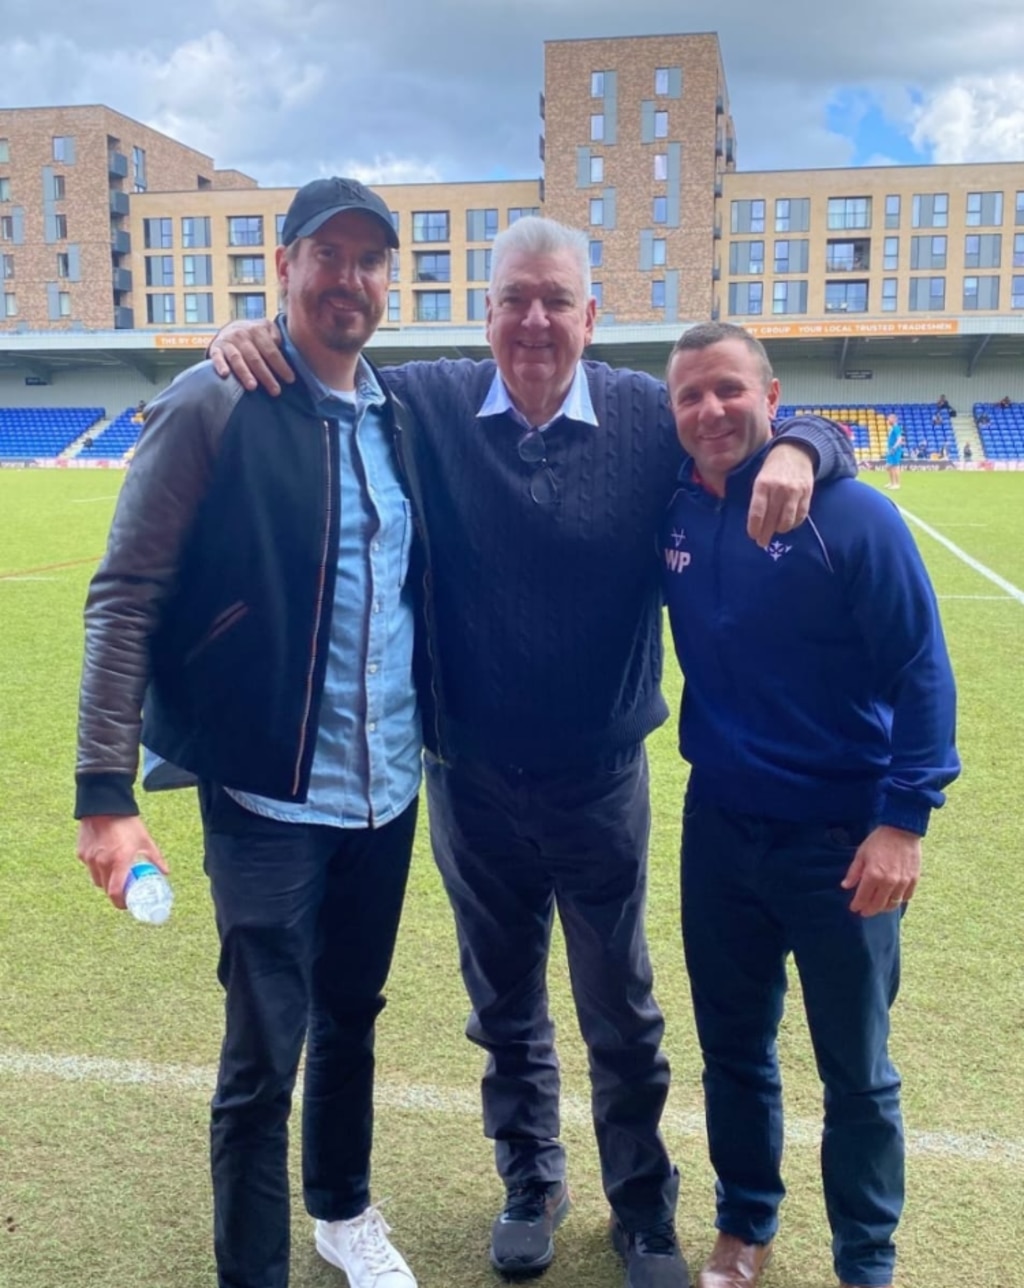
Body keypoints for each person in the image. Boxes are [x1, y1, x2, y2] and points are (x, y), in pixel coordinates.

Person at [209, 215, 855, 1288]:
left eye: (557, 299)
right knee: (503, 1005)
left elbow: (763, 423)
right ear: (487, 310)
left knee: (621, 1007)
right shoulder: (427, 405)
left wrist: (801, 445)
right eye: (515, 298)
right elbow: (323, 358)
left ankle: (643, 1208)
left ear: (592, 317)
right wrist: (241, 331)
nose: (536, 321)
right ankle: (529, 1178)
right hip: (470, 781)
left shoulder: (652, 417)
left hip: (600, 779)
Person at [75, 177, 425, 1288]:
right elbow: (124, 594)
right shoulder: (213, 400)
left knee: (353, 1018)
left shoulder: (400, 416)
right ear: (283, 264)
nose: (350, 279)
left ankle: (341, 1212)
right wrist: (104, 793)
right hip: (270, 799)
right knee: (263, 1057)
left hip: (389, 792)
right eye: (328, 254)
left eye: (372, 260)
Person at [660, 323, 959, 1288]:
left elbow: (923, 675)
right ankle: (745, 1226)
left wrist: (903, 822)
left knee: (857, 1072)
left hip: (842, 838)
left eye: (729, 390)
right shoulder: (667, 511)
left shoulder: (853, 517)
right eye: (690, 396)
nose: (711, 411)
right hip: (720, 831)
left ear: (773, 394)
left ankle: (865, 1260)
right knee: (734, 1052)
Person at [884, 413, 903, 489]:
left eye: (889, 419)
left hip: (895, 450)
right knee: (889, 467)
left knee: (895, 467)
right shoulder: (892, 428)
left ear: (893, 420)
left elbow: (899, 439)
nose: (888, 421)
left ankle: (897, 484)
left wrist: (894, 448)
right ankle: (892, 483)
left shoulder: (896, 428)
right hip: (890, 450)